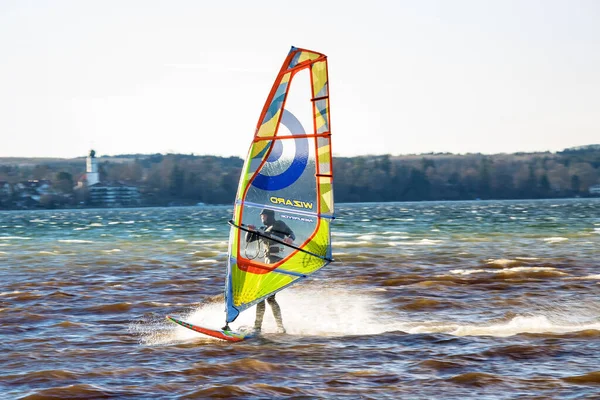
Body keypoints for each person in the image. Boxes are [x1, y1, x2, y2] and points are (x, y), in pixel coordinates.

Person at [246, 208, 295, 333]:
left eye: (263, 216)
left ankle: (258, 327)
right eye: (261, 216)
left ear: (268, 216)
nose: (262, 218)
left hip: (276, 262)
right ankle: (279, 327)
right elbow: (249, 240)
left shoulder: (279, 224)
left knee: (263, 296)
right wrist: (250, 230)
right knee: (268, 298)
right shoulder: (263, 230)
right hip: (268, 263)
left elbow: (291, 233)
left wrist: (290, 239)